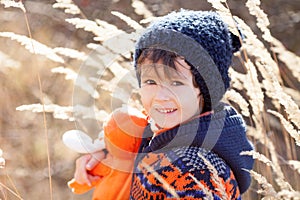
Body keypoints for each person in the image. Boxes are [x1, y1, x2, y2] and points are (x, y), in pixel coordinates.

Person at [72, 9, 254, 199]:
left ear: (204, 88)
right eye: (151, 81)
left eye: (176, 83)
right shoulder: (166, 142)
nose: (161, 96)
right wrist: (109, 156)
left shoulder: (191, 170)